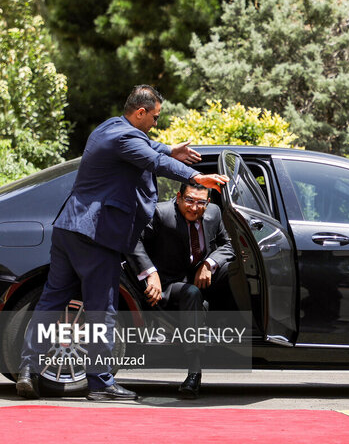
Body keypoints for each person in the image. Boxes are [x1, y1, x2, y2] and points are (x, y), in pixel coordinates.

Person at [16, 85, 229, 401]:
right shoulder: (126, 138)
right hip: (96, 234)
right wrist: (196, 178)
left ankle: (27, 369)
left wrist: (168, 148)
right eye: (154, 117)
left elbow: (148, 146)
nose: (155, 123)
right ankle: (100, 383)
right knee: (102, 308)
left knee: (52, 300)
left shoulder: (110, 127)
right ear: (140, 112)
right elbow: (152, 161)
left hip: (69, 228)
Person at [127, 182, 235, 398]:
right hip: (168, 283)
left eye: (200, 203)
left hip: (200, 278)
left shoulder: (213, 213)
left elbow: (228, 245)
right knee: (192, 294)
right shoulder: (161, 213)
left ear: (208, 202)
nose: (194, 208)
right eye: (189, 200)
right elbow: (132, 240)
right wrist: (151, 274)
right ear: (178, 197)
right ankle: (194, 373)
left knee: (236, 270)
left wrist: (209, 263)